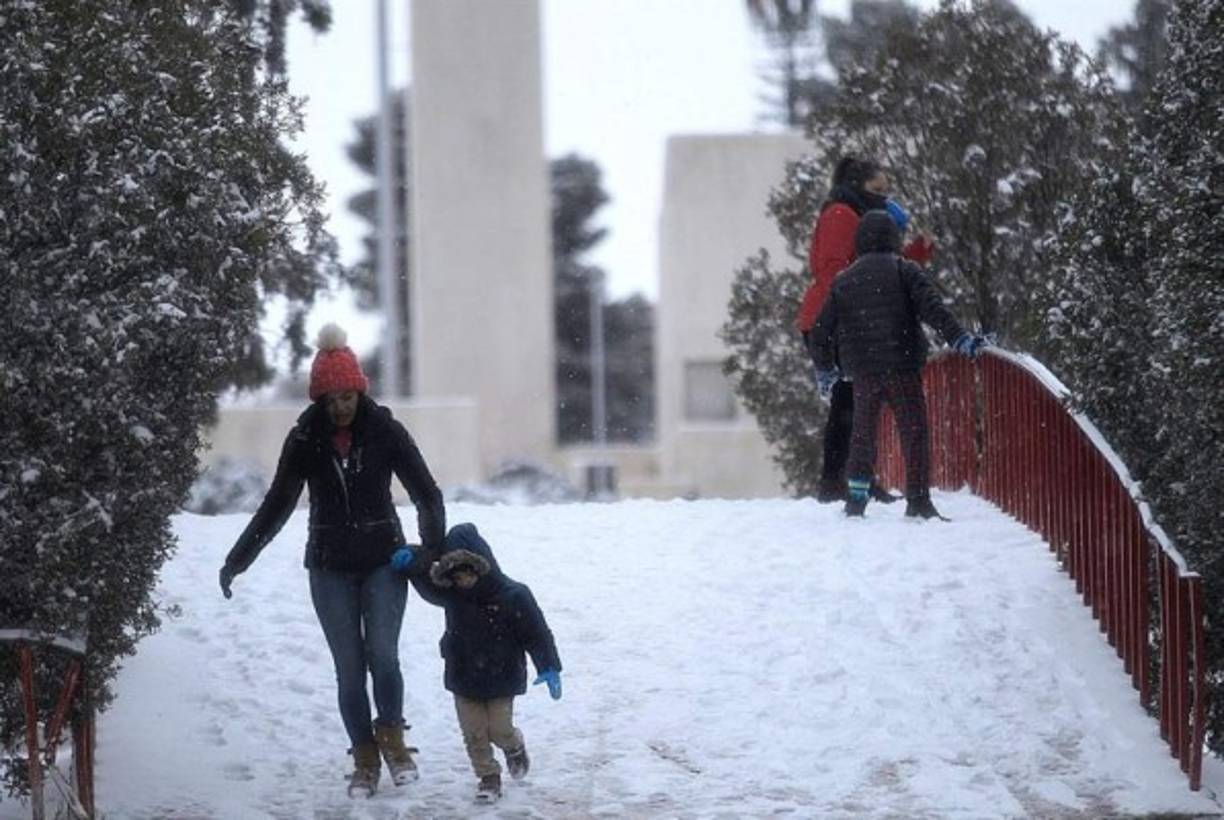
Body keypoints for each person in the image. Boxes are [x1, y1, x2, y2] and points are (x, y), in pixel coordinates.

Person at [218, 323, 446, 798]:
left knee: (383, 656)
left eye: (348, 395)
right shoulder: (305, 439)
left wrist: (432, 551)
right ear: (318, 399)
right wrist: (239, 559)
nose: (341, 406)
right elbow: (277, 503)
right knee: (349, 668)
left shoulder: (385, 430)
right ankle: (364, 758)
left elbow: (426, 493)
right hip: (328, 567)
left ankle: (394, 742)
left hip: (384, 561)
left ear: (359, 390)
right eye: (331, 398)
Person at [805, 210, 986, 520]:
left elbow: (821, 330)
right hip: (902, 365)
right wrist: (960, 339)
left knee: (863, 435)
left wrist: (825, 370)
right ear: (893, 238)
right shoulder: (904, 270)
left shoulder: (845, 280)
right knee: (913, 432)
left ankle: (857, 500)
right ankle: (917, 500)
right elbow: (933, 310)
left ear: (860, 241)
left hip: (862, 371)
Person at [795, 156, 934, 503]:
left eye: (887, 191)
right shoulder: (842, 214)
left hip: (843, 318)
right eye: (877, 190)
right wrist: (848, 317)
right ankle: (840, 481)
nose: (884, 198)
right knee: (849, 403)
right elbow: (837, 273)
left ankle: (853, 479)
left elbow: (879, 270)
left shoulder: (856, 215)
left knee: (855, 403)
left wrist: (915, 253)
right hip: (834, 319)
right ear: (858, 186)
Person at [407, 522, 562, 805]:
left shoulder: (514, 595)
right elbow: (426, 575)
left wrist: (548, 665)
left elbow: (536, 633)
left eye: (468, 574)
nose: (463, 582)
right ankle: (488, 776)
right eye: (456, 576)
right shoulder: (451, 594)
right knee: (474, 733)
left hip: (502, 676)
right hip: (463, 676)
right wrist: (411, 563)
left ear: (481, 565)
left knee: (499, 730)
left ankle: (513, 746)